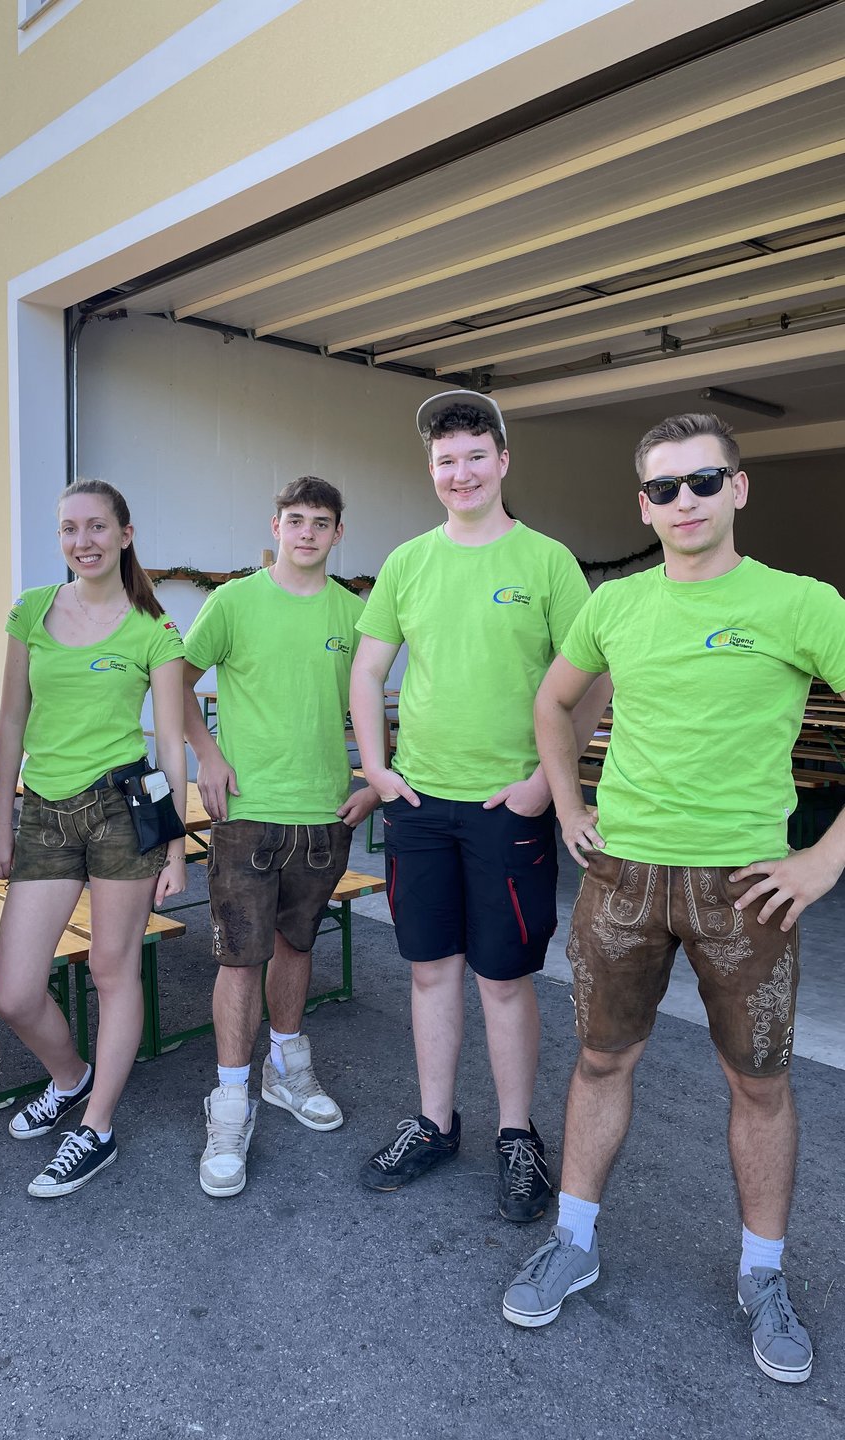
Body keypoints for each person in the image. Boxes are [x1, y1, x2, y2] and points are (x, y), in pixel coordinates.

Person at [501, 412, 845, 1386]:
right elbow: (553, 702)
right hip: (624, 878)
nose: (684, 501)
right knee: (601, 1061)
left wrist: (824, 860)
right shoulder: (615, 605)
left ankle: (762, 1275)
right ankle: (574, 1240)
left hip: (746, 889)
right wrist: (568, 802)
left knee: (759, 1085)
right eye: (663, 488)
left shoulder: (802, 603)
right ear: (644, 506)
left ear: (739, 488)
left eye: (703, 481)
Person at [352, 391, 608, 1219]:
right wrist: (376, 769)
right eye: (445, 460)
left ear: (502, 460)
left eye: (473, 456)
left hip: (509, 805)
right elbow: (367, 669)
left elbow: (594, 679)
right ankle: (434, 1123)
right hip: (420, 802)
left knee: (502, 978)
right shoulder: (408, 562)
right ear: (430, 470)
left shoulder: (547, 561)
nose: (459, 473)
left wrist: (545, 781)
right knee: (430, 971)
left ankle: (516, 1134)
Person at [0, 479, 187, 1197]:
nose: (83, 541)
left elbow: (170, 745)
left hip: (119, 811)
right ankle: (71, 1077)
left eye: (97, 527)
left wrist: (175, 849)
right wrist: (0, 818)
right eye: (70, 528)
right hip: (43, 810)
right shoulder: (32, 610)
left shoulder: (155, 630)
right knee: (13, 992)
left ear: (125, 535)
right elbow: (12, 720)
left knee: (111, 968)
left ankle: (96, 1127)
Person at [182, 476, 377, 1198]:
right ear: (275, 526)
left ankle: (286, 1069)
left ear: (337, 534)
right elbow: (174, 681)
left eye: (320, 523)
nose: (306, 533)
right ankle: (231, 1098)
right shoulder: (233, 602)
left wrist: (374, 779)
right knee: (240, 959)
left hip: (325, 811)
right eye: (295, 520)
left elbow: (378, 701)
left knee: (297, 945)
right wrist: (207, 756)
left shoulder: (354, 613)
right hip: (248, 811)